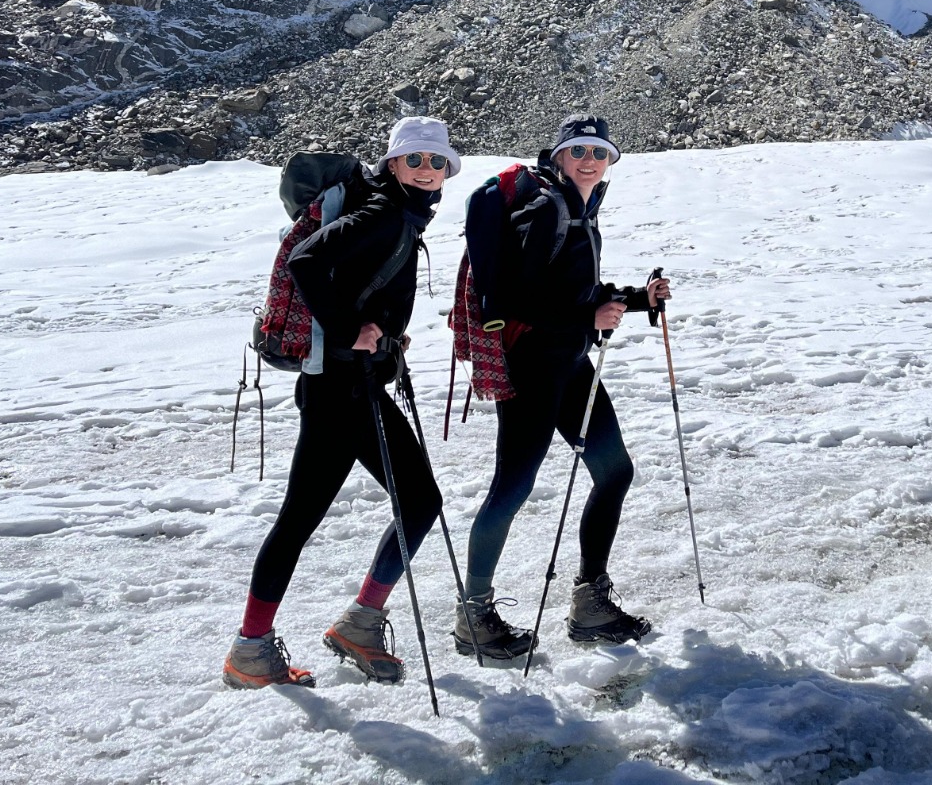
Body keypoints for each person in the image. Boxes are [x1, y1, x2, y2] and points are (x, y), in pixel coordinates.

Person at [222, 117, 460, 690]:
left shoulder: (394, 211)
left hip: (347, 386)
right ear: (393, 163)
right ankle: (348, 625)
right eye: (415, 160)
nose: (427, 171)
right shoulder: (383, 212)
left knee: (303, 519)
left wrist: (382, 335)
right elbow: (306, 262)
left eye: (436, 162)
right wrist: (350, 329)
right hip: (342, 390)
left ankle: (262, 645)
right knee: (418, 501)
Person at [455, 114, 671, 659]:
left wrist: (636, 298)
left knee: (614, 471)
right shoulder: (547, 207)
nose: (590, 160)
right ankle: (473, 614)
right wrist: (587, 319)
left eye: (600, 152)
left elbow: (575, 292)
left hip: (568, 364)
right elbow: (517, 300)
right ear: (557, 155)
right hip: (533, 368)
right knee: (513, 486)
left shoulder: (577, 208)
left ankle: (591, 603)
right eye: (578, 151)